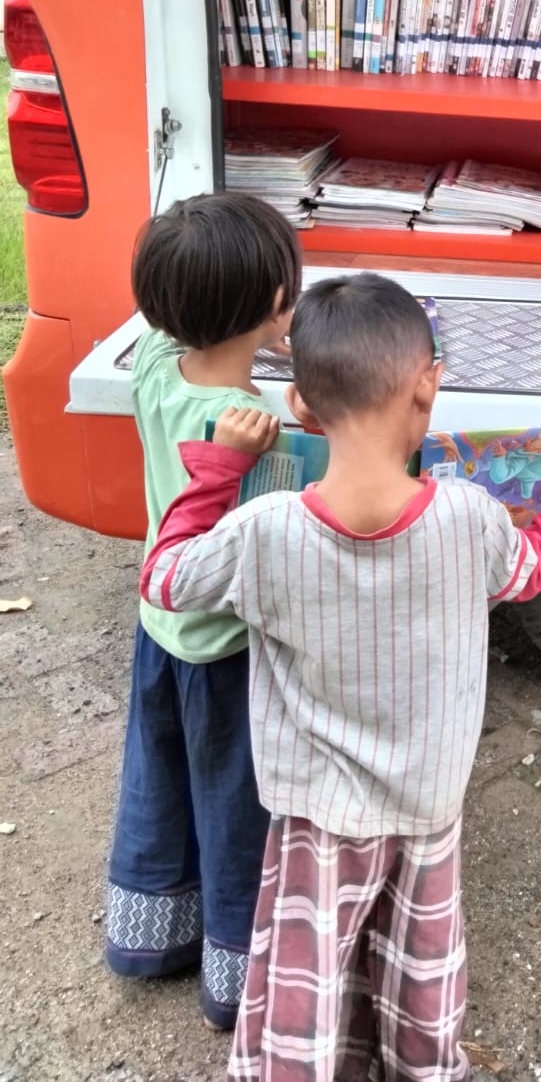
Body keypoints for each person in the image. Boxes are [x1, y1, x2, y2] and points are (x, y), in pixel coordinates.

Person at [138, 272, 541, 1080]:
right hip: (427, 800)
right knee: (420, 967)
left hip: (315, 811)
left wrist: (215, 470)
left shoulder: (261, 532)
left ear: (300, 407)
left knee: (305, 983)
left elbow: (165, 580)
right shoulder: (470, 518)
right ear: (428, 387)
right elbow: (533, 567)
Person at [105, 192, 301, 1030]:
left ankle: (153, 934)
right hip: (226, 649)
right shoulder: (258, 436)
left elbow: (166, 326)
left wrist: (258, 330)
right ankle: (235, 977)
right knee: (234, 806)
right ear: (276, 304)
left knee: (162, 778)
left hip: (161, 635)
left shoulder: (155, 368)